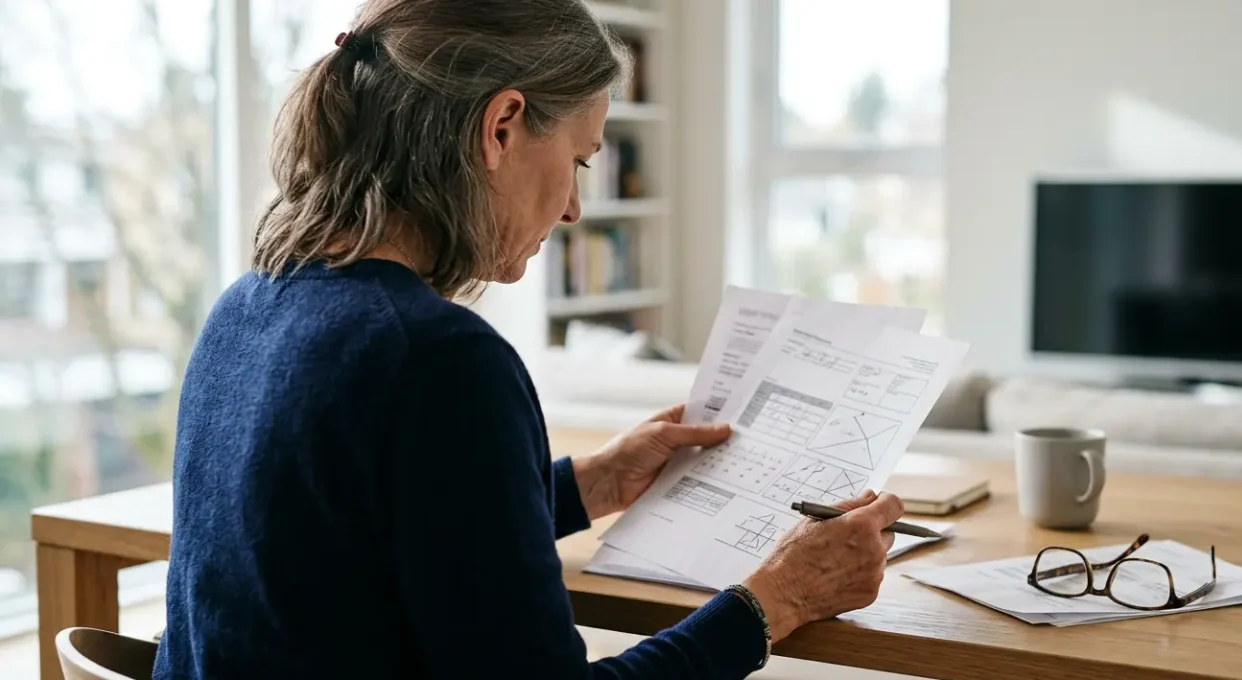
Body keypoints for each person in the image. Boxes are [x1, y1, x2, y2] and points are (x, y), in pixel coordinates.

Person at [152, 0, 904, 678]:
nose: (576, 207)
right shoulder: (440, 359)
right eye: (578, 160)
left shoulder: (245, 309)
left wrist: (593, 483)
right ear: (501, 127)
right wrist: (776, 599)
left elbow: (372, 535)